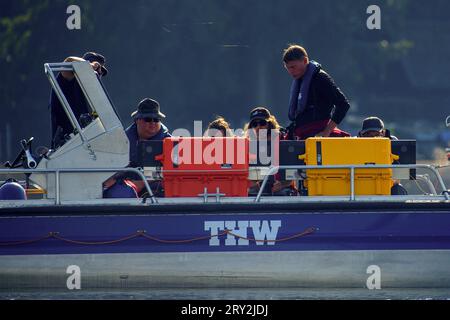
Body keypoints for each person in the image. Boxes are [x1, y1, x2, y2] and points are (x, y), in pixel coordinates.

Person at [103, 98, 171, 197]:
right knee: (116, 193)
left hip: (157, 189)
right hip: (126, 184)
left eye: (156, 119)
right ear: (137, 120)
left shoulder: (169, 141)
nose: (153, 122)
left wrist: (140, 183)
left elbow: (168, 171)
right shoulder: (122, 140)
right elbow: (113, 164)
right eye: (148, 119)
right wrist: (112, 178)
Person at [283, 44, 351, 140]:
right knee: (266, 134)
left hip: (317, 136)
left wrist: (327, 131)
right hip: (300, 135)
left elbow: (343, 105)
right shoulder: (299, 80)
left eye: (293, 67)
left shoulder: (320, 78)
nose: (290, 71)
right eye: (287, 68)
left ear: (305, 61)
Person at [49, 52, 109, 148]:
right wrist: (89, 65)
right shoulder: (68, 80)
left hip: (82, 148)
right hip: (64, 149)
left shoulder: (91, 99)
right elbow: (69, 60)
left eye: (100, 72)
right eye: (96, 70)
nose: (99, 74)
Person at [244, 107, 297, 196]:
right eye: (254, 124)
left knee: (283, 193)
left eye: (262, 123)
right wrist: (253, 184)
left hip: (282, 188)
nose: (258, 127)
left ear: (269, 124)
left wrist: (282, 184)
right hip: (257, 190)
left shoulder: (282, 141)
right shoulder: (247, 144)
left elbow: (293, 172)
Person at [358, 116, 407, 195]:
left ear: (383, 133)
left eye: (376, 135)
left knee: (398, 190)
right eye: (368, 135)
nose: (372, 138)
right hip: (359, 183)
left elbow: (399, 176)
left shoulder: (393, 143)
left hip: (386, 182)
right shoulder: (354, 144)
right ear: (361, 134)